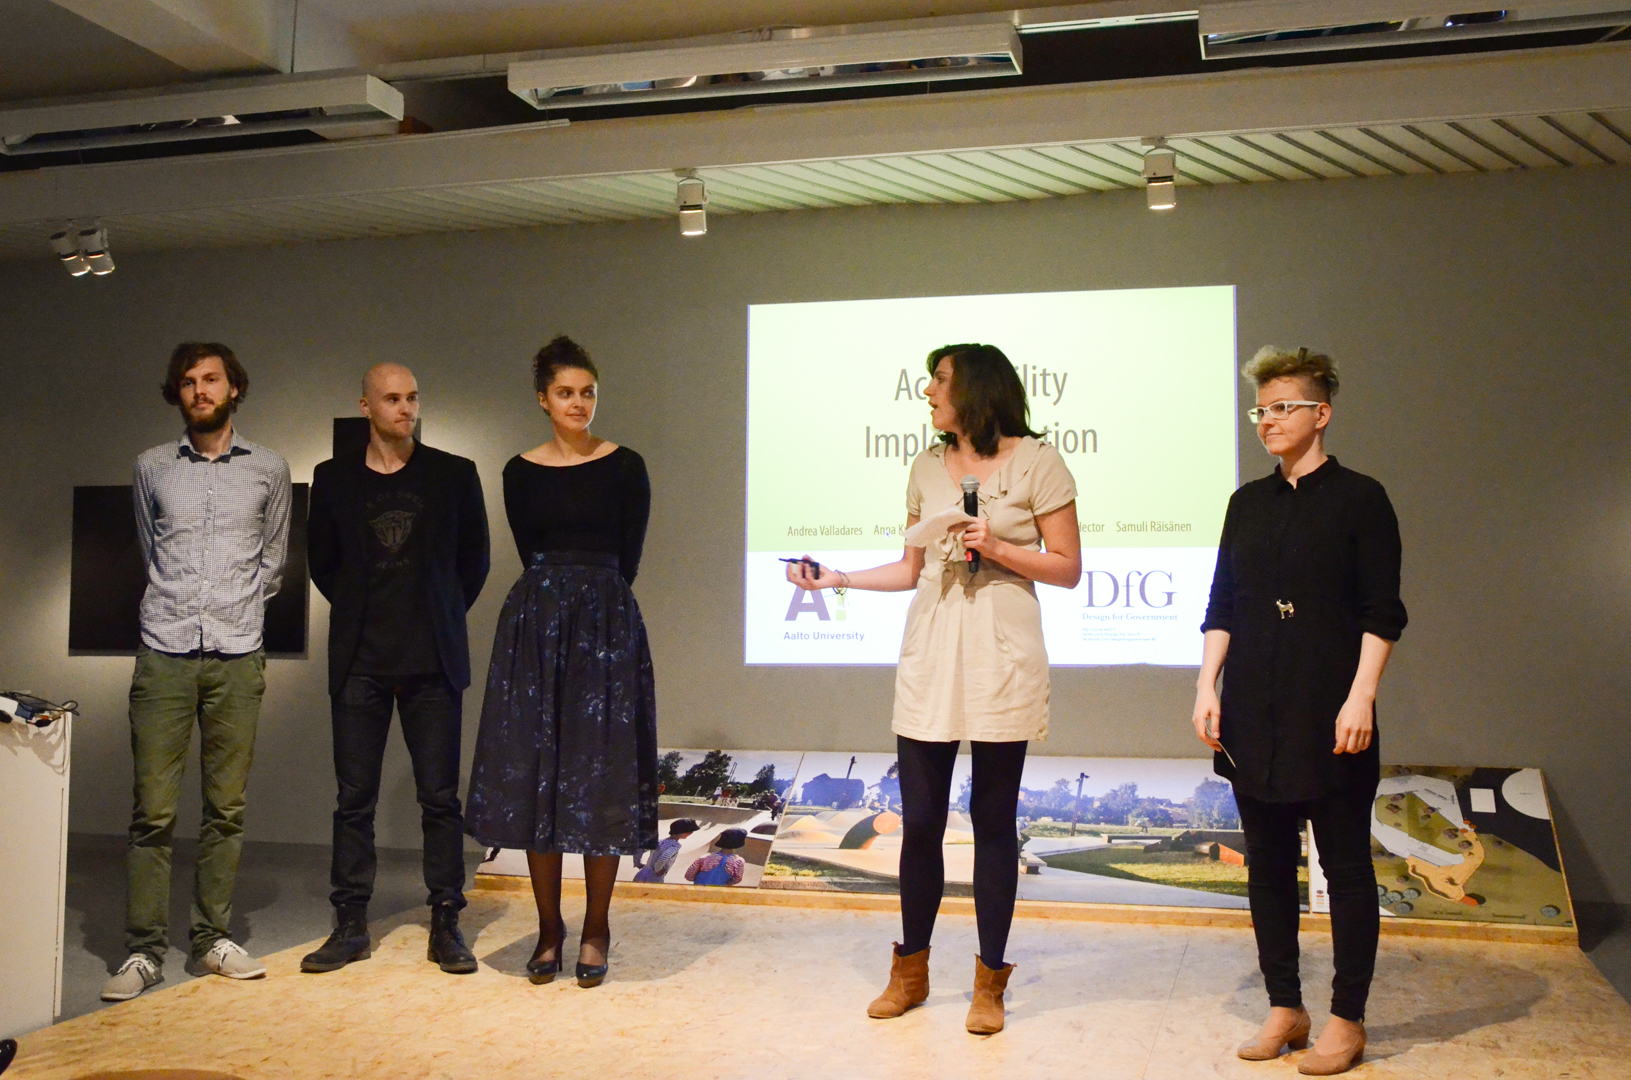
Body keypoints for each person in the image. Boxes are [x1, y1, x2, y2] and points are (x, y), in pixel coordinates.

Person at [787, 343, 1080, 1035]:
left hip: (1002, 648)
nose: (926, 392)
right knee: (919, 820)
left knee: (992, 821)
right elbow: (909, 567)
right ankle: (910, 972)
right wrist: (837, 580)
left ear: (974, 388)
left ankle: (989, 982)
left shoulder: (1038, 462)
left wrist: (997, 546)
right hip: (932, 646)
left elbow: (1067, 568)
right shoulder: (923, 465)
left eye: (939, 381)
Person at [1193, 346, 1406, 1076]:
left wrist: (1361, 695)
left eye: (1283, 407)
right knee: (1266, 866)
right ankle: (1285, 1005)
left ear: (1322, 414)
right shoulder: (1245, 504)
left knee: (1345, 867)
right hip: (1252, 706)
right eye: (1261, 409)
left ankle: (1347, 1019)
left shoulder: (1361, 499)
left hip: (1330, 705)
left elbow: (1382, 611)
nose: (1268, 421)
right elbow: (1222, 604)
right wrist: (1206, 685)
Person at [464, 335, 656, 990]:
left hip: (606, 623)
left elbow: (628, 556)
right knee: (536, 775)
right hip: (536, 628)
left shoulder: (626, 465)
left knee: (601, 777)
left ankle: (597, 928)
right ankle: (549, 930)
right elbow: (528, 551)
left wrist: (592, 602)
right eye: (566, 393)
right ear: (543, 399)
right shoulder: (518, 472)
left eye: (588, 392)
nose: (579, 403)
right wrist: (557, 600)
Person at [101, 343, 292, 1002]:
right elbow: (150, 550)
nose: (200, 390)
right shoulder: (151, 466)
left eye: (212, 379)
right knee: (151, 812)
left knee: (225, 810)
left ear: (234, 388)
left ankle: (211, 939)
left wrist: (236, 611)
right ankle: (144, 950)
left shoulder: (269, 468)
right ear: (177, 393)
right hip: (165, 651)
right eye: (188, 381)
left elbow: (273, 562)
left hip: (237, 654)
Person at [301, 364, 490, 975]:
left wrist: (439, 614)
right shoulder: (333, 478)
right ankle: (350, 924)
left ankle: (446, 922)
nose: (406, 408)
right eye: (392, 398)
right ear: (366, 406)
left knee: (440, 799)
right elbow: (323, 564)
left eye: (412, 397)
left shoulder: (454, 474)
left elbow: (475, 562)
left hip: (433, 661)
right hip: (360, 662)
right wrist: (362, 611)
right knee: (353, 800)